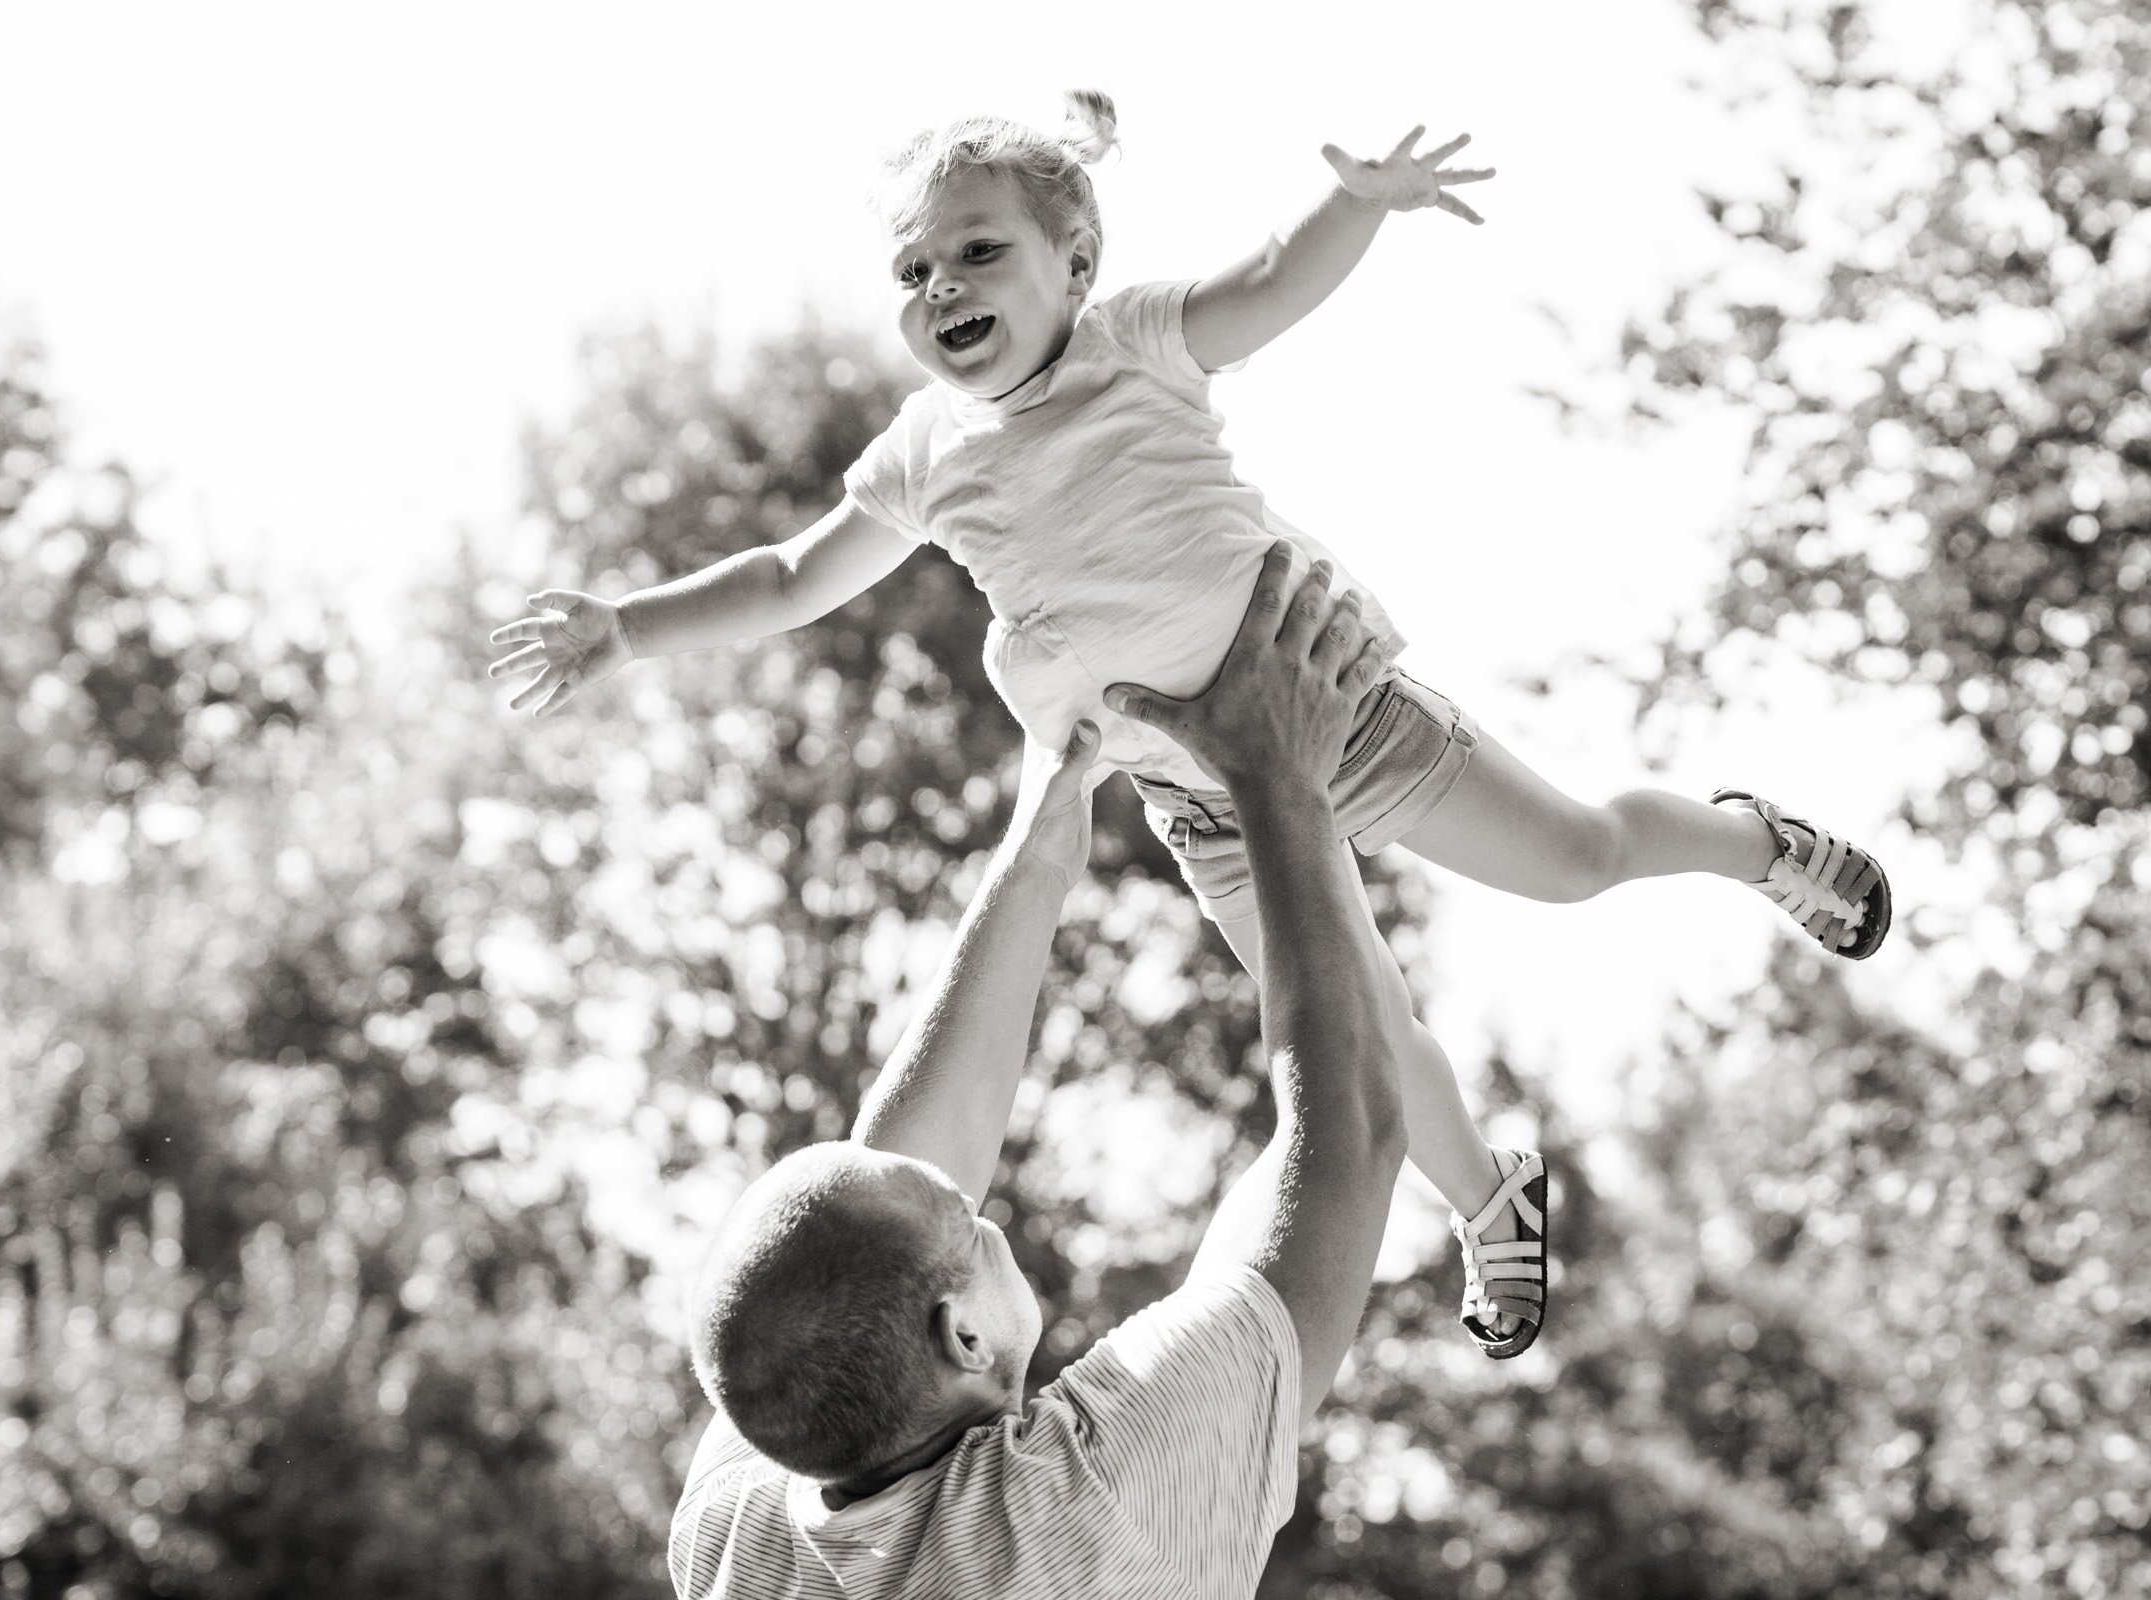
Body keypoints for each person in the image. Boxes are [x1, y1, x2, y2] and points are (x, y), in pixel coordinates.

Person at [490, 93, 1891, 1357]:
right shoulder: (924, 453)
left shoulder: (1138, 346)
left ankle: (1746, 841)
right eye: (914, 273)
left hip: (1334, 710)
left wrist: (1355, 203)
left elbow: (1270, 285)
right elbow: (794, 578)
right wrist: (630, 623)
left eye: (979, 254)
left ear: (1075, 261)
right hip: (1201, 795)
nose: (941, 291)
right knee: (1355, 1036)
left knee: (1577, 860)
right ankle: (1489, 1198)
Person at [670, 547, 1411, 1600]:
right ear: (963, 1332)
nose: (987, 1211)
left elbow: (870, 1221)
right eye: (968, 1223)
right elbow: (1351, 1134)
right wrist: (1278, 775)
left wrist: (1036, 855)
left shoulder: (744, 1544)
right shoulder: (1084, 1503)